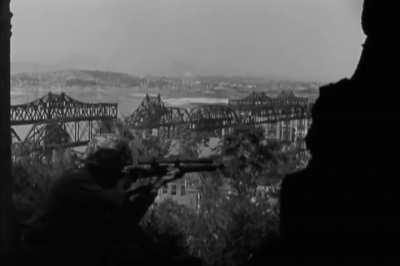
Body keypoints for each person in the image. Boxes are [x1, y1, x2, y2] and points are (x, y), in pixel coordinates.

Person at [22, 139, 183, 266]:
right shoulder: (77, 181)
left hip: (56, 253)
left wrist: (155, 185)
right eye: (119, 166)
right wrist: (134, 181)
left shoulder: (87, 181)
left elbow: (124, 219)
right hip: (41, 255)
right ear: (105, 166)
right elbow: (117, 207)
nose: (121, 170)